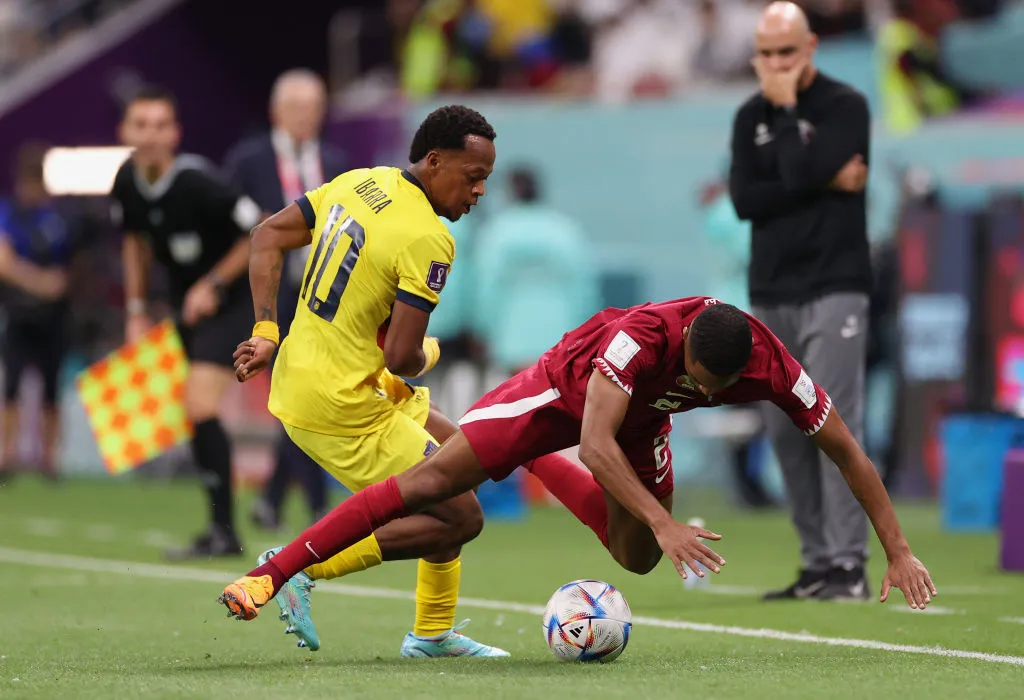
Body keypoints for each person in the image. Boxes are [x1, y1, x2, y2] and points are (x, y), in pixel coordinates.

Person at [222, 298, 938, 627]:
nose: (711, 394)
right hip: (561, 395)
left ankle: (531, 464)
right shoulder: (643, 337)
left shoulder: (774, 367)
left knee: (635, 558)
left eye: (719, 391)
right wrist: (665, 519)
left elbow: (847, 450)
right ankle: (269, 574)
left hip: (640, 421)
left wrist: (898, 550)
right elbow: (594, 444)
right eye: (700, 380)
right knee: (433, 485)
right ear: (685, 348)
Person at [222, 105, 507, 658]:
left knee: (463, 456)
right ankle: (297, 566)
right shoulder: (428, 238)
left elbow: (267, 235)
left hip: (322, 379)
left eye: (486, 181)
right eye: (473, 178)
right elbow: (402, 355)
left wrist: (265, 330)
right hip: (343, 406)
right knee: (462, 513)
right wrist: (431, 350)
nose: (478, 193)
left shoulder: (362, 182)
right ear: (434, 160)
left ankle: (431, 634)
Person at [729, 1, 875, 601]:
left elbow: (784, 179)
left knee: (835, 423)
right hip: (772, 288)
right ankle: (817, 563)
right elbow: (745, 199)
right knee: (787, 429)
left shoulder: (845, 105)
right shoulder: (746, 116)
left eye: (786, 52)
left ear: (810, 47)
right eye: (765, 54)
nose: (776, 64)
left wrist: (787, 115)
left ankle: (848, 566)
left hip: (835, 283)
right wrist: (822, 177)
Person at [109, 85, 262, 560]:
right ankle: (219, 528)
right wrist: (136, 311)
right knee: (192, 410)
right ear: (126, 131)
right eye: (141, 125)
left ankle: (225, 531)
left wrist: (214, 283)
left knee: (199, 402)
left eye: (160, 125)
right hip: (186, 307)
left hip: (237, 302)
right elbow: (134, 243)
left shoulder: (199, 182)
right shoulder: (126, 183)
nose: (151, 135)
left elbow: (260, 231)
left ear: (175, 133)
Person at [223, 68, 347, 531]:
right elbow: (226, 211)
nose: (304, 118)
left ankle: (276, 501)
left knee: (306, 399)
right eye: (295, 108)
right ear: (276, 112)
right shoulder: (248, 160)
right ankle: (313, 505)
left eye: (313, 108)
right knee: (297, 397)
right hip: (273, 297)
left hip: (325, 296)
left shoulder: (336, 160)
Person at [0, 142, 76, 482]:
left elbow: (74, 264)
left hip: (53, 319)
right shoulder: (8, 213)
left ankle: (50, 460)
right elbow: (5, 263)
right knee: (12, 388)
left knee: (51, 391)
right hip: (17, 315)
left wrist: (61, 283)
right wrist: (41, 283)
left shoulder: (59, 218)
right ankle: (7, 456)